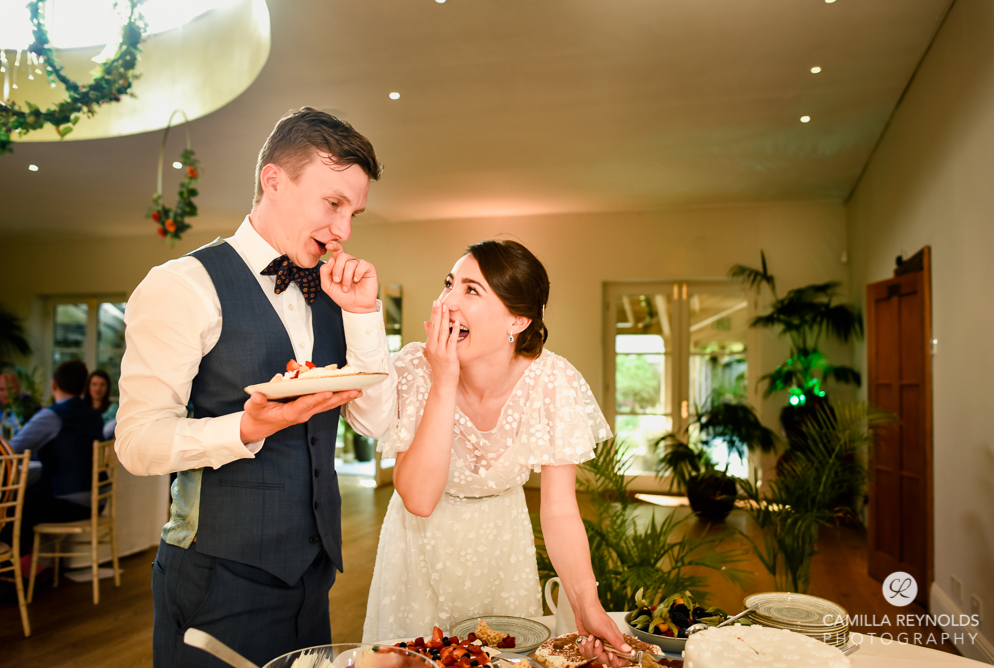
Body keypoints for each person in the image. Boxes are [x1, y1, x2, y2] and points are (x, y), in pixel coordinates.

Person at [115, 108, 395, 667]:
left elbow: (379, 425)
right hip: (217, 579)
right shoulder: (182, 286)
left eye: (353, 213)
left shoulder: (334, 293)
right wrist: (247, 427)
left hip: (313, 579)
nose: (343, 230)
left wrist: (364, 315)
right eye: (332, 203)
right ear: (274, 180)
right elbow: (137, 443)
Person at [363, 240, 631, 666]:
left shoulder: (553, 380)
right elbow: (417, 499)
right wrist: (443, 380)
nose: (446, 301)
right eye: (449, 284)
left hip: (502, 548)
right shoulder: (416, 367)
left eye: (471, 290)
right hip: (417, 550)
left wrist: (585, 602)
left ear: (518, 319)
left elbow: (559, 510)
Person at [1, 360, 104, 555]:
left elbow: (10, 449)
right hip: (96, 501)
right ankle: (34, 566)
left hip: (69, 502)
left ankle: (23, 568)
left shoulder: (51, 416)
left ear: (53, 385)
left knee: (13, 509)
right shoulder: (94, 415)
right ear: (84, 388)